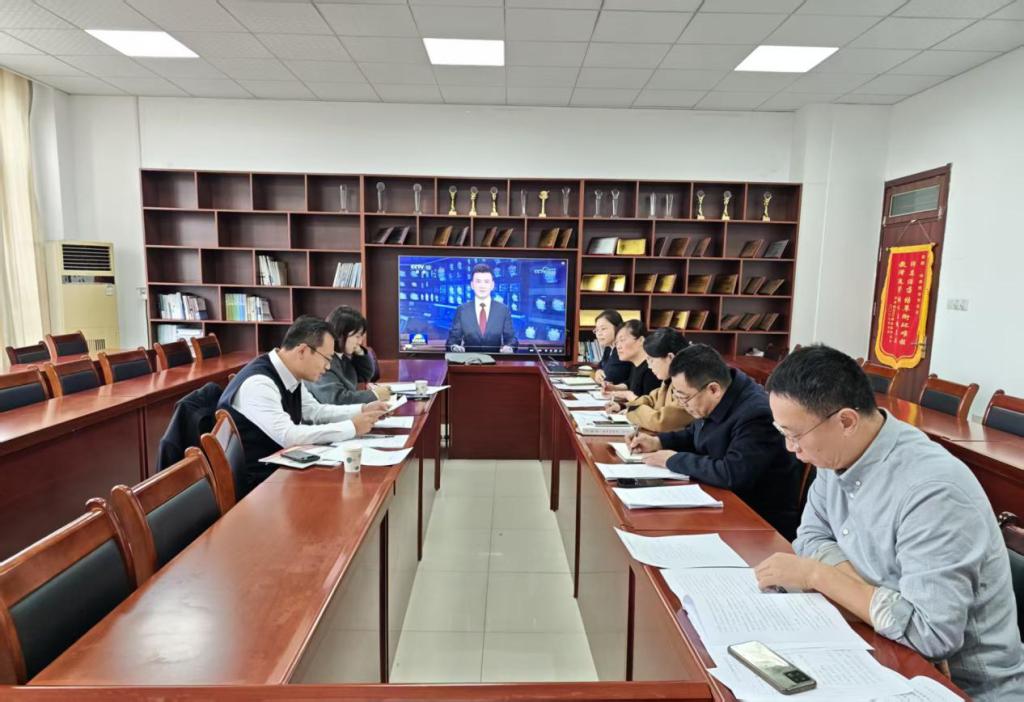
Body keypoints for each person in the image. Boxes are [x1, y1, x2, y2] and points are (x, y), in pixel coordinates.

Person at [754, 345, 1024, 701]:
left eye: (795, 435)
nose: (791, 448)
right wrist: (859, 592)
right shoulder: (836, 454)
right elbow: (811, 535)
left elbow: (931, 635)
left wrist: (818, 575)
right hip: (881, 647)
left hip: (957, 687)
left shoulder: (932, 490)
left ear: (846, 421)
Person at [627, 344, 802, 539]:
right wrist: (658, 441)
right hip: (721, 502)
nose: (683, 404)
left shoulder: (756, 414)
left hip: (757, 523)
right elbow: (696, 434)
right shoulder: (717, 396)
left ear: (713, 389)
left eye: (685, 397)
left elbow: (732, 474)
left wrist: (672, 460)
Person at [218, 316, 387, 496]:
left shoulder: (290, 374)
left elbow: (315, 412)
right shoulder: (259, 384)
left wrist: (362, 409)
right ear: (302, 351)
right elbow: (289, 436)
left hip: (283, 468)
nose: (328, 367)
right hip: (261, 486)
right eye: (326, 358)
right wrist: (352, 427)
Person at [605, 327, 693, 433]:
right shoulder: (670, 380)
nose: (650, 366)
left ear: (670, 358)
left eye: (652, 360)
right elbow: (651, 400)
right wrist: (623, 406)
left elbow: (661, 421)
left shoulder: (689, 385)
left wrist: (632, 411)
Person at [308, 305, 391, 406]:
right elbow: (337, 399)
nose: (360, 342)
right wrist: (375, 395)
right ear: (340, 334)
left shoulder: (342, 357)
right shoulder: (322, 360)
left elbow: (364, 376)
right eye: (357, 336)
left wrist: (360, 352)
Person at [446, 263, 518, 353]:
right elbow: (452, 340)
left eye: (486, 282)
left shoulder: (503, 310)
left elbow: (511, 339)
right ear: (472, 285)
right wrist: (454, 347)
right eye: (478, 281)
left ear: (492, 285)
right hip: (469, 360)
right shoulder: (462, 310)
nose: (482, 286)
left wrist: (509, 347)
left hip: (495, 360)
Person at [602, 320, 660, 403]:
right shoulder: (636, 364)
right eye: (616, 343)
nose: (618, 346)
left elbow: (649, 405)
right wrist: (614, 387)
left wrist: (625, 395)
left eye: (622, 340)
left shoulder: (651, 370)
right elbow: (631, 384)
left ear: (641, 340)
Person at [591, 309, 631, 385]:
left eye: (603, 329)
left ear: (617, 328)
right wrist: (598, 371)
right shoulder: (609, 348)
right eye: (597, 330)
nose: (599, 333)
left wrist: (599, 377)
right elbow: (601, 364)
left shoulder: (621, 350)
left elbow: (609, 378)